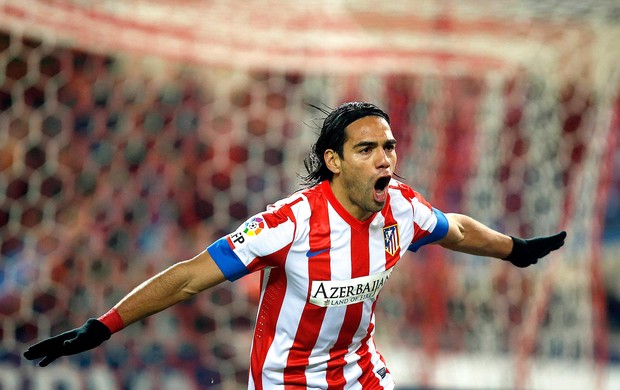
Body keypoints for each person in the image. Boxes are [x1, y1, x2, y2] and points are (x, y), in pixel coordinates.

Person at [24, 101, 567, 389]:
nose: (386, 159)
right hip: (287, 381)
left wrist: (514, 248)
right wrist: (103, 326)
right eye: (367, 149)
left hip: (360, 372)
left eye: (390, 147)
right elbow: (190, 275)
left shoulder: (400, 203)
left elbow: (457, 228)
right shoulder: (288, 224)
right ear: (334, 161)